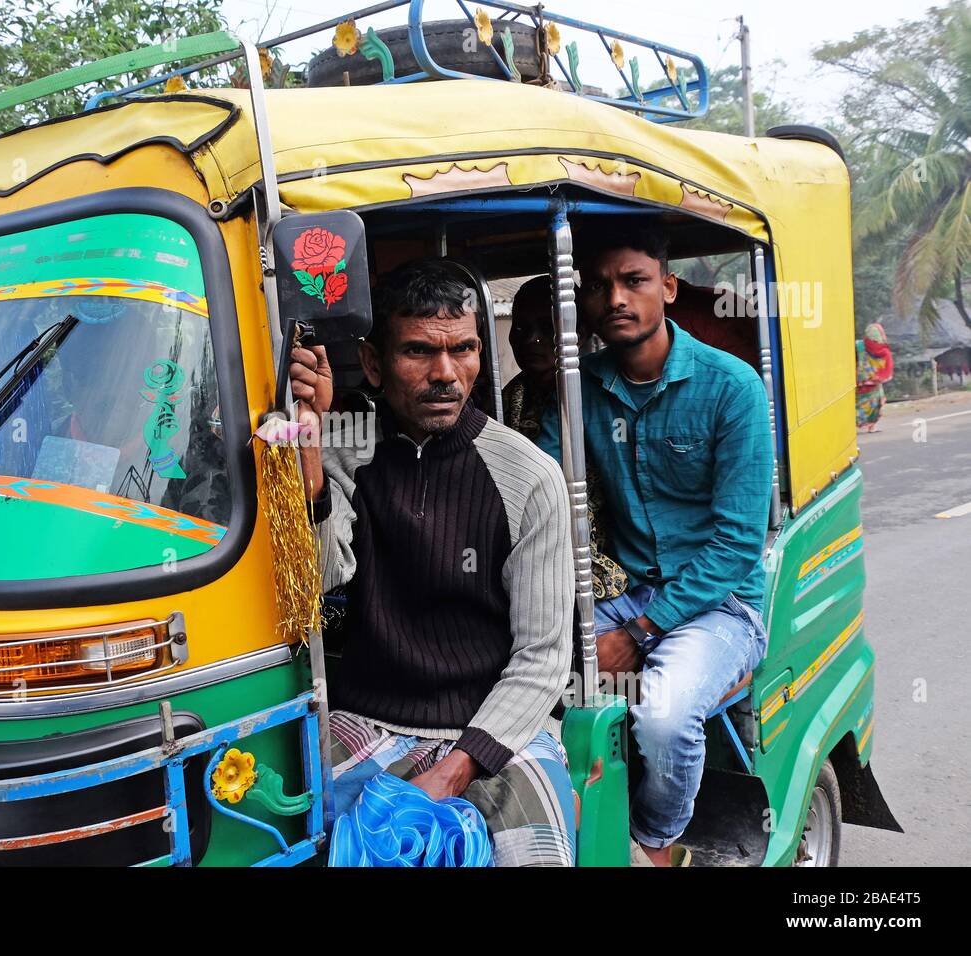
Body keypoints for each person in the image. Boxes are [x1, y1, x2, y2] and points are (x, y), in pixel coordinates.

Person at [290, 258, 578, 867]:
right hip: (366, 718)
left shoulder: (531, 477)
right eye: (418, 352)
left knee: (538, 856)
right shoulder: (345, 452)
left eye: (463, 350)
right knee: (289, 838)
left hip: (498, 728)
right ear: (373, 363)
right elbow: (316, 584)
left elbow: (543, 660)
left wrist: (454, 770)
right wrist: (310, 452)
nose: (445, 374)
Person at [537, 227, 772, 867]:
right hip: (628, 592)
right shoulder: (575, 390)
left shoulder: (732, 387)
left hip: (722, 606)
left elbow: (737, 546)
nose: (616, 297)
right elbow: (546, 498)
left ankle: (657, 844)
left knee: (664, 717)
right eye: (600, 286)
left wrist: (640, 632)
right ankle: (565, 829)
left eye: (634, 280)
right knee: (524, 675)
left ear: (667, 288)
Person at [504, 276, 629, 601]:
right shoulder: (501, 401)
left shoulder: (609, 396)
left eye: (548, 328)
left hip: (606, 568)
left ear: (581, 332)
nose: (532, 341)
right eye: (521, 330)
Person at [856, 322, 893, 433]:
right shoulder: (884, 351)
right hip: (875, 383)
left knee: (857, 405)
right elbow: (888, 366)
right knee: (876, 404)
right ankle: (871, 426)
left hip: (859, 381)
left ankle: (854, 424)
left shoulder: (859, 345)